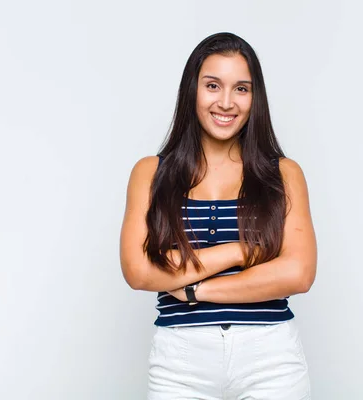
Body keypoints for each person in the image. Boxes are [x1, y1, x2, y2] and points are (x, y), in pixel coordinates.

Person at [120, 32, 317, 399]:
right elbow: (139, 271)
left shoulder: (283, 173)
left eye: (241, 89)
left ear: (254, 98)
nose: (226, 102)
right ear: (192, 90)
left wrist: (194, 290)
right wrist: (241, 251)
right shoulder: (151, 173)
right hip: (180, 362)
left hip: (270, 358)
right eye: (213, 85)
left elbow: (298, 273)